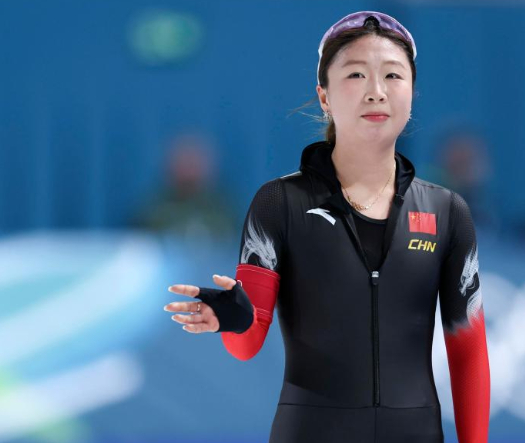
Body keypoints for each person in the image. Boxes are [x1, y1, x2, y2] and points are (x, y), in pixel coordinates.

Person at [164, 11, 490, 443]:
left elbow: (468, 353)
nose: (376, 91)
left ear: (412, 93)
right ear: (324, 97)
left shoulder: (447, 211)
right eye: (356, 74)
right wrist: (234, 317)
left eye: (393, 75)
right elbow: (246, 345)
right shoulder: (279, 203)